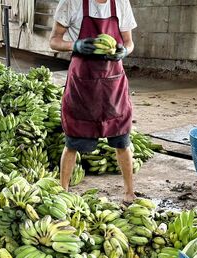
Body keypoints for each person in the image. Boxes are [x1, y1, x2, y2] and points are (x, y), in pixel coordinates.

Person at [50, 0, 137, 204]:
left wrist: (125, 51)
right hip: (83, 83)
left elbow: (129, 42)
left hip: (113, 84)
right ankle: (63, 190)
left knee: (122, 140)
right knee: (72, 140)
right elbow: (53, 41)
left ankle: (129, 192)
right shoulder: (71, 3)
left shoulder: (121, 4)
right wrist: (76, 45)